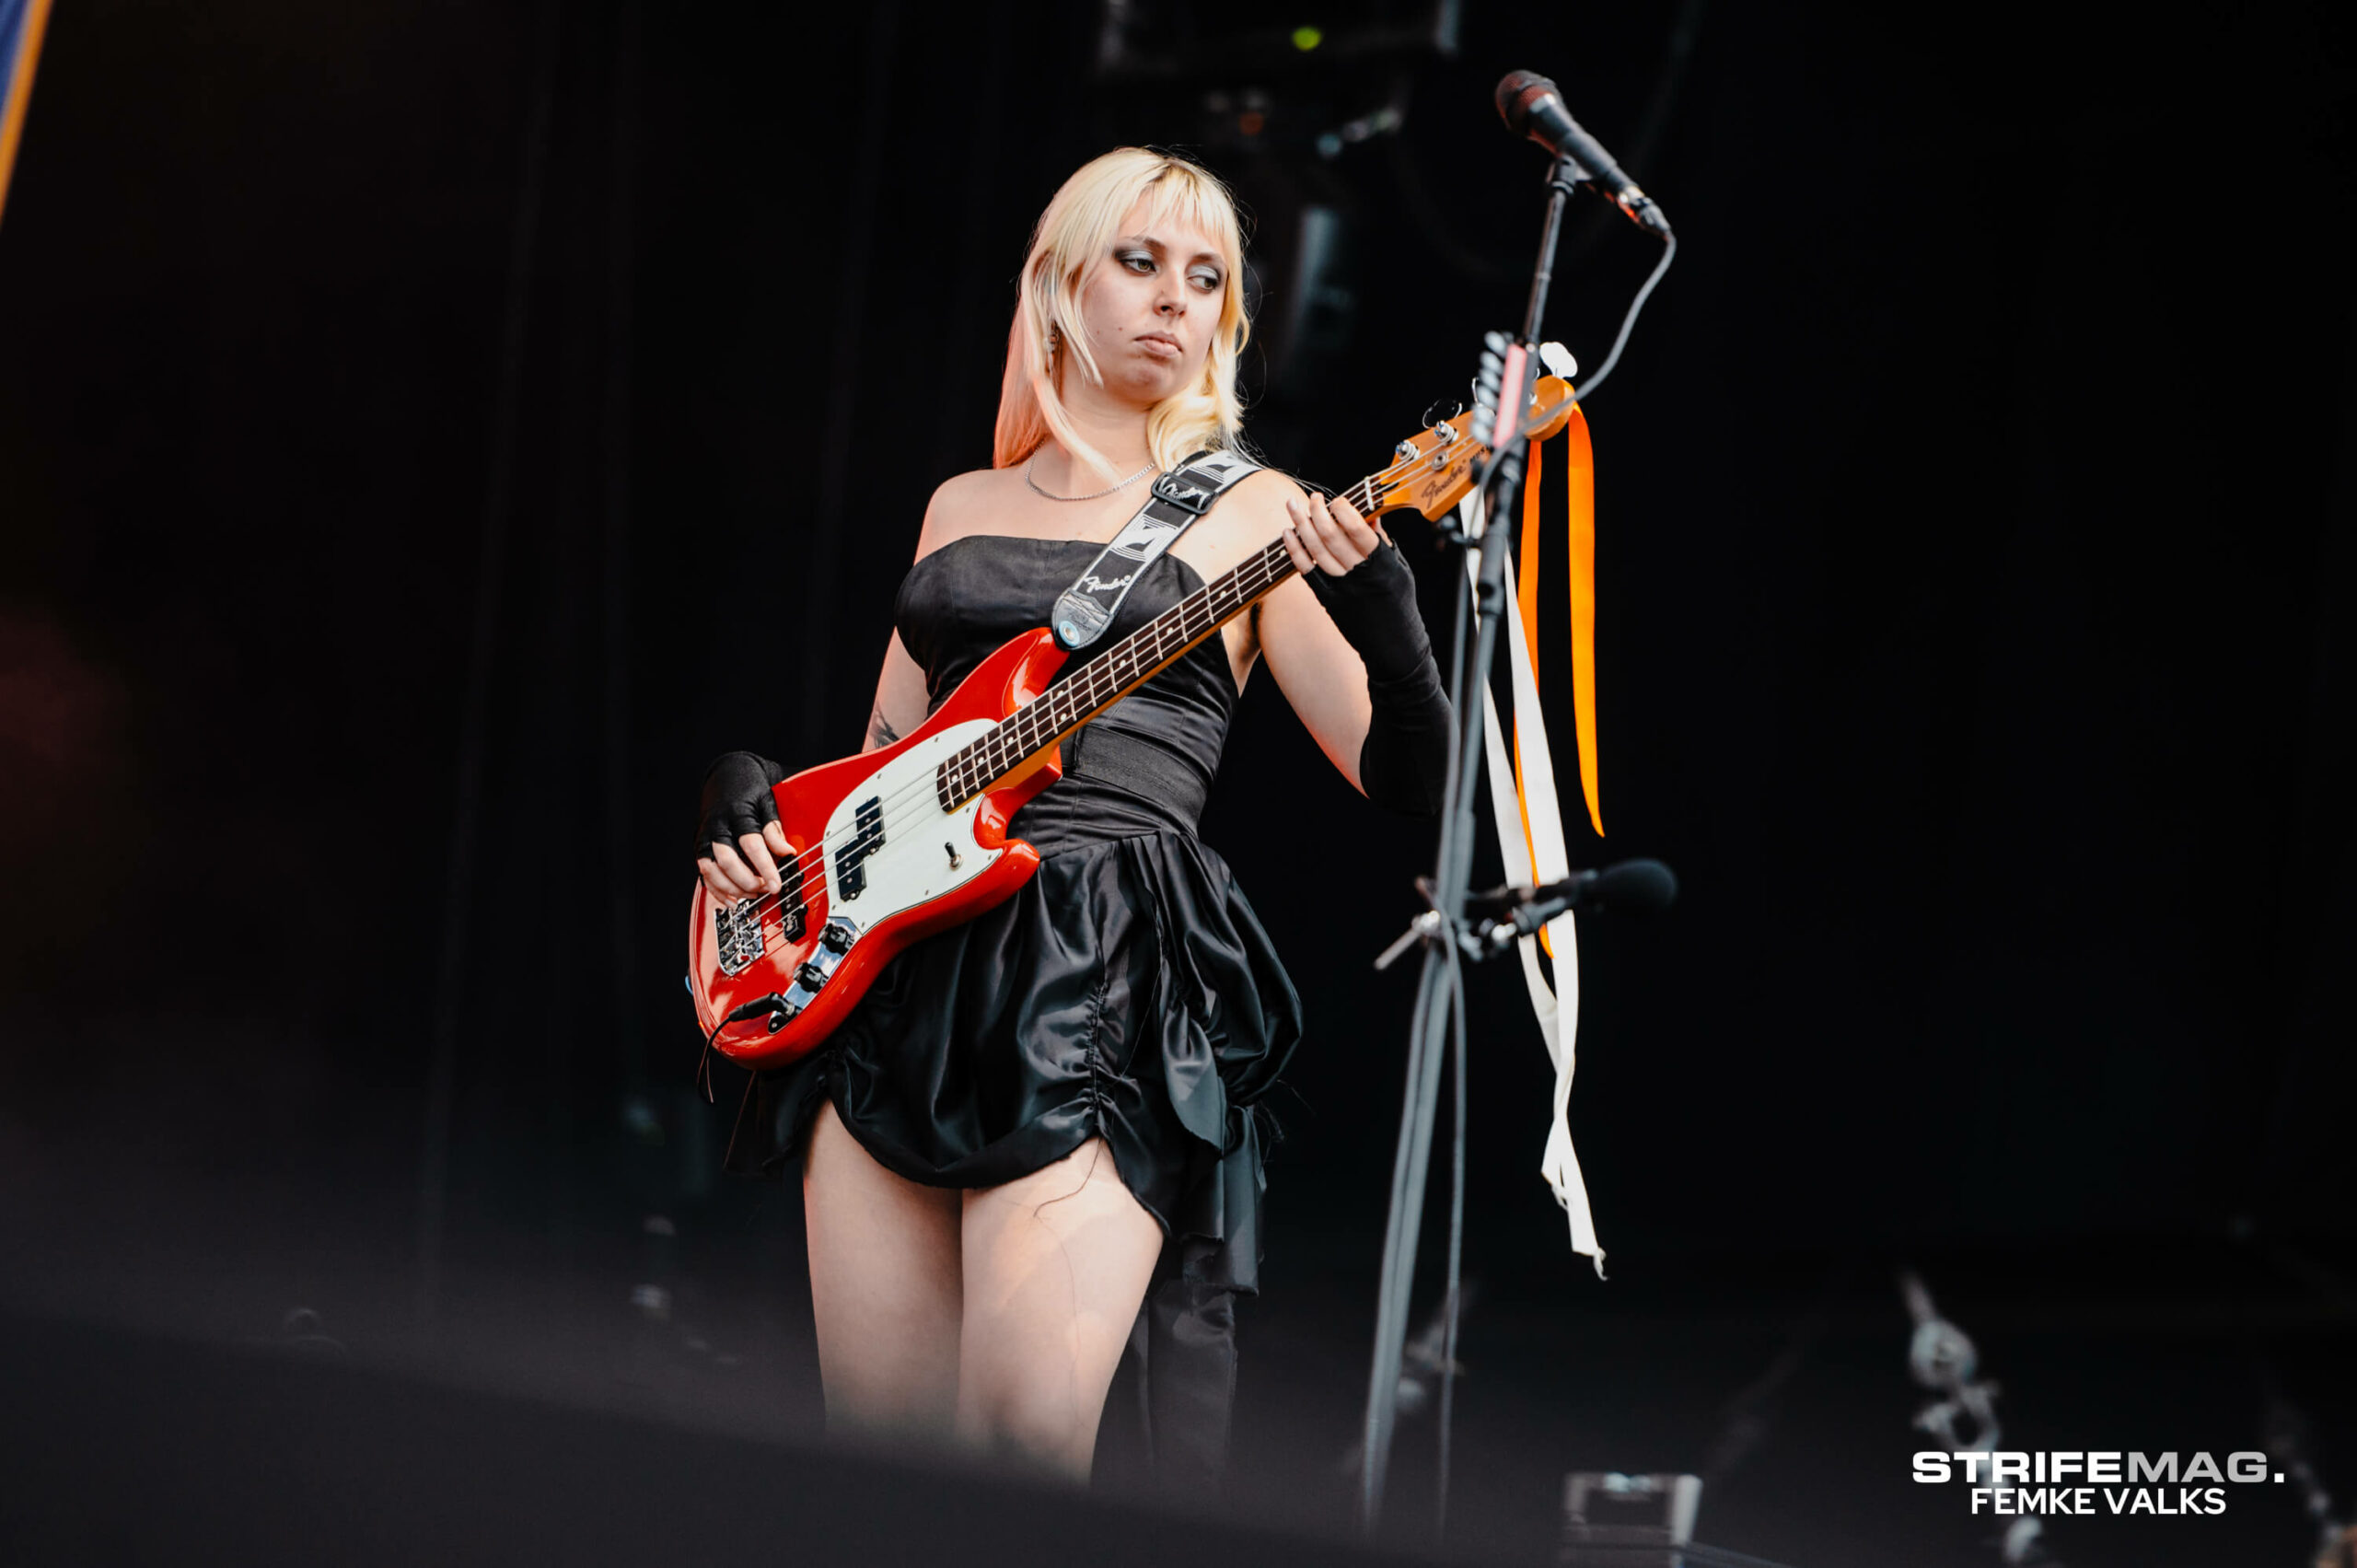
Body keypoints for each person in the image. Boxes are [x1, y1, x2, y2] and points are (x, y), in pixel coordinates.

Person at [693, 147, 1449, 1482]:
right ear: (1058, 285)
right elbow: (879, 763)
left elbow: (1408, 784)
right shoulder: (959, 508)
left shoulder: (1254, 511)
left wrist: (1393, 622)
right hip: (894, 968)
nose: (1176, 300)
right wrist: (753, 801)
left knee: (1021, 1443)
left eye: (1208, 278)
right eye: (1140, 263)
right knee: (878, 1466)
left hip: (1094, 959)